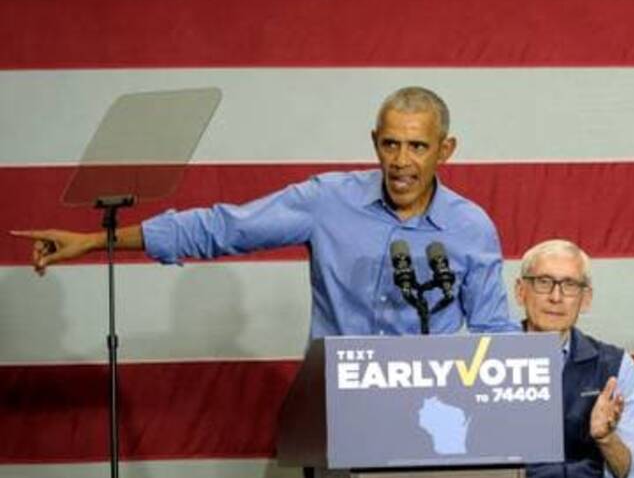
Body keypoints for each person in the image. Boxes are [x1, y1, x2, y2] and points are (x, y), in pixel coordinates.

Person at [11, 86, 515, 337]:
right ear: (374, 143)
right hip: (334, 414)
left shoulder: (470, 228)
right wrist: (97, 240)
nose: (401, 162)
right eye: (390, 144)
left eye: (417, 147)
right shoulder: (328, 201)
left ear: (445, 150)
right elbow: (222, 228)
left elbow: (495, 338)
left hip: (439, 419)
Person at [514, 239, 634, 478]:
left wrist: (606, 439)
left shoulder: (614, 366)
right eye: (544, 282)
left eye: (569, 285)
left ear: (585, 298)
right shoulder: (487, 362)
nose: (556, 297)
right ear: (520, 291)